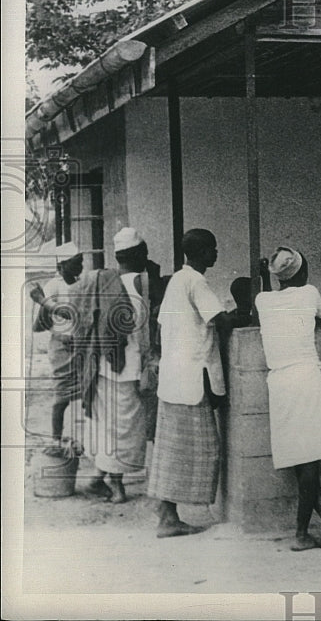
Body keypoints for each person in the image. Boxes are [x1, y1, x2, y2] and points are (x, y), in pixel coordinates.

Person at [255, 247, 321, 551]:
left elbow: (272, 304)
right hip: (306, 376)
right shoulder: (310, 293)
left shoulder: (263, 299)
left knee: (299, 455)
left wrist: (264, 278)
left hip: (279, 380)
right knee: (310, 459)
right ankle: (301, 533)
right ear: (301, 272)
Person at [146, 229, 233, 537]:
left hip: (175, 376)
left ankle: (166, 512)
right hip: (191, 380)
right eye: (213, 249)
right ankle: (168, 516)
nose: (216, 254)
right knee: (202, 449)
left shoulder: (176, 282)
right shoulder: (196, 281)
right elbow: (220, 321)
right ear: (200, 252)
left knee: (172, 449)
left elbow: (159, 330)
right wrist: (243, 315)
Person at [81, 228, 158, 503]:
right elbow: (139, 333)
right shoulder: (138, 284)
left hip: (103, 365)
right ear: (137, 255)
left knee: (111, 428)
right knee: (123, 430)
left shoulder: (103, 280)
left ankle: (98, 479)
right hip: (124, 368)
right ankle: (116, 486)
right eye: (145, 254)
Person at [29, 242, 85, 454]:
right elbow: (43, 321)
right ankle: (55, 439)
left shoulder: (80, 283)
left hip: (80, 345)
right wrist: (44, 304)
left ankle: (78, 439)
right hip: (62, 346)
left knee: (83, 395)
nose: (80, 266)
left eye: (81, 262)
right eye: (75, 263)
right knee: (62, 396)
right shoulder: (53, 285)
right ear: (62, 265)